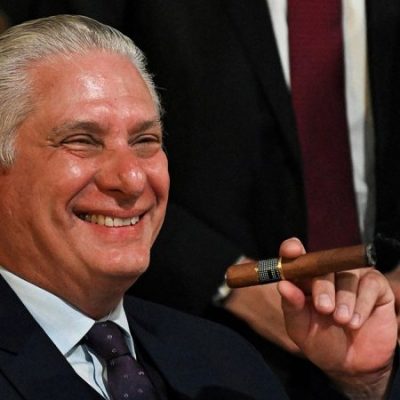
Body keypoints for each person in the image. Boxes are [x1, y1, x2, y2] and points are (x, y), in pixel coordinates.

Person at [0, 13, 399, 400]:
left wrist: (364, 385)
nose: (132, 178)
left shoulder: (224, 359)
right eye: (82, 141)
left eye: (145, 141)